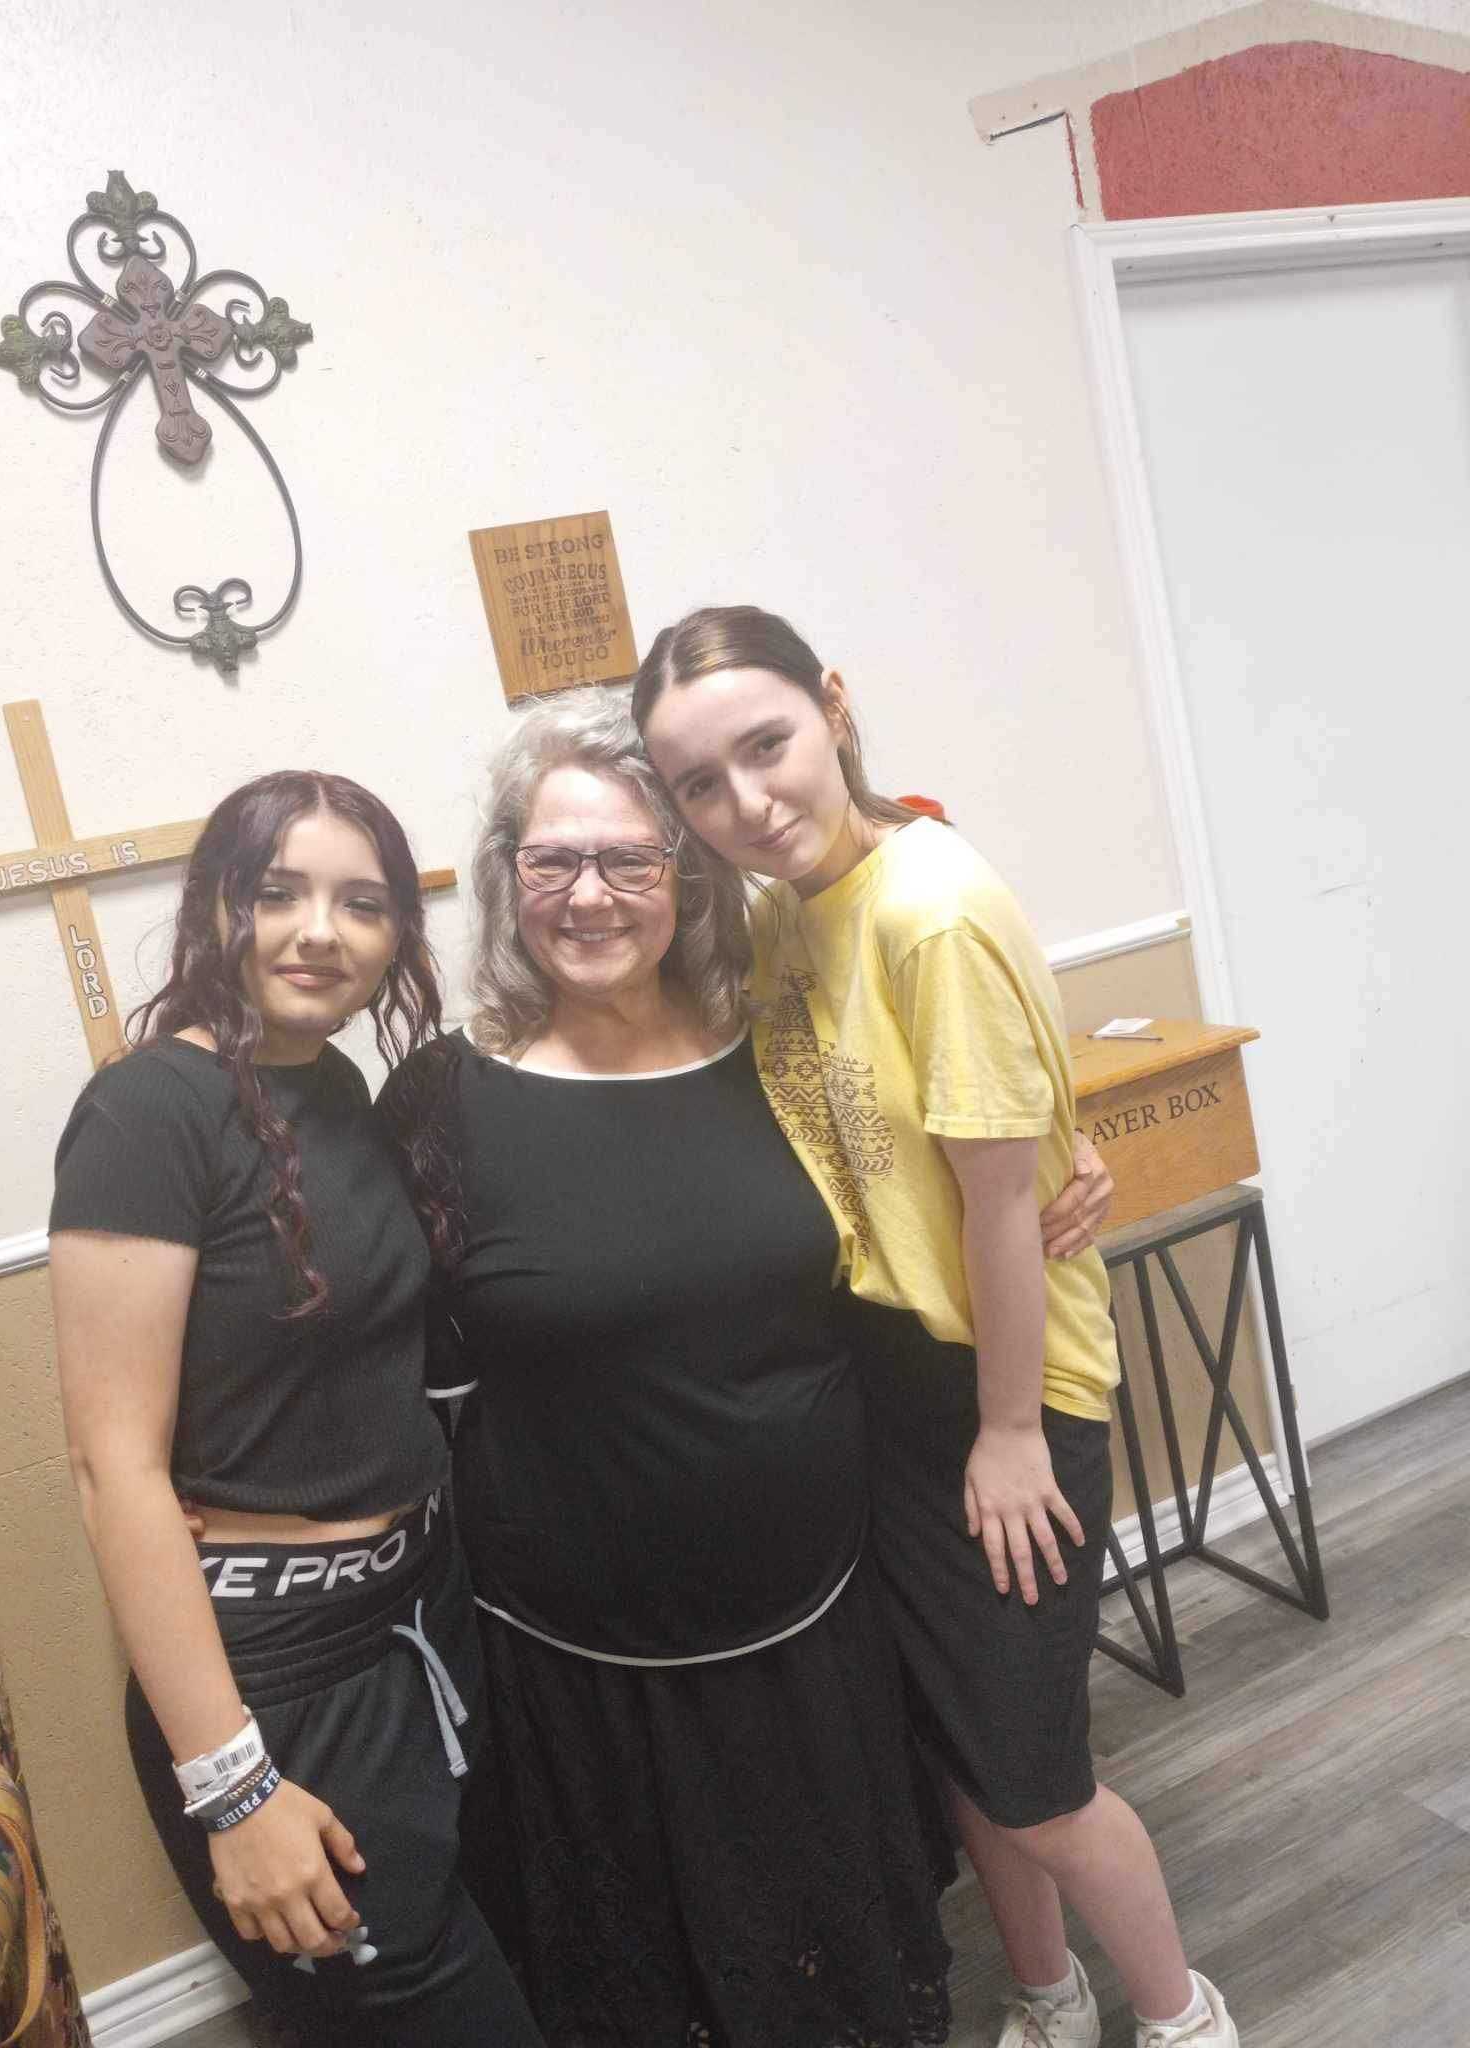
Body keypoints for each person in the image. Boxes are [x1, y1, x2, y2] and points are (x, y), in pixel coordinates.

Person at [635, 607, 1240, 2048]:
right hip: (886, 1383)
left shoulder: (931, 908)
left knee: (1035, 1770)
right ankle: (1047, 1995)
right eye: (700, 786)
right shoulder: (791, 907)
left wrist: (1014, 1429)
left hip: (997, 1384)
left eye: (766, 746)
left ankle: (1185, 2015)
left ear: (833, 707)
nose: (747, 804)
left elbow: (995, 1209)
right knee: (963, 1742)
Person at [378, 692, 955, 2048]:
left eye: (632, 858)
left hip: (814, 1615)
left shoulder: (782, 1045)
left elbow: (927, 1168)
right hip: (581, 1659)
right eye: (554, 859)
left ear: (684, 878)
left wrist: (1062, 1178)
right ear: (505, 870)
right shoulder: (438, 1107)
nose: (593, 895)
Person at [48, 772, 542, 2048]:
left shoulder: (335, 1092)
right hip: (281, 1679)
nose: (319, 929)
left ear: (397, 939)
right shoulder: (149, 1110)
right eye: (279, 892)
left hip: (420, 1614)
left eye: (361, 903)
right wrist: (232, 1786)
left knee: (504, 1962)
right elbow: (114, 1471)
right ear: (219, 905)